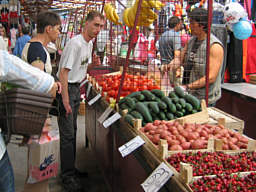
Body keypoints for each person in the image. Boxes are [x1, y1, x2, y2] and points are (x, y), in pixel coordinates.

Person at [57, 10, 105, 192]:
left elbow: (80, 67)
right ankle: (67, 177)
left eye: (101, 26)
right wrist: (66, 100)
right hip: (67, 88)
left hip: (77, 88)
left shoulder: (88, 43)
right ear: (86, 23)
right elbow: (64, 72)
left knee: (73, 131)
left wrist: (92, 65)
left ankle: (70, 169)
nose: (98, 29)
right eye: (95, 25)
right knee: (68, 135)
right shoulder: (75, 44)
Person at [0, 50, 60, 192]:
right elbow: (46, 84)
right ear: (49, 29)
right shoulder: (36, 50)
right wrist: (38, 119)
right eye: (57, 28)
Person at [168, 8, 224, 106]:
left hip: (205, 100)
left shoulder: (214, 46)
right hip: (190, 96)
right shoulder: (191, 41)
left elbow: (211, 77)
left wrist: (187, 87)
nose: (190, 26)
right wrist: (170, 66)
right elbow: (179, 59)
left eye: (192, 23)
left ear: (202, 25)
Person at [22, 11, 61, 76]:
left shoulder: (37, 47)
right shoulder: (37, 49)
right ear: (49, 29)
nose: (59, 32)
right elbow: (38, 81)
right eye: (58, 29)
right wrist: (53, 85)